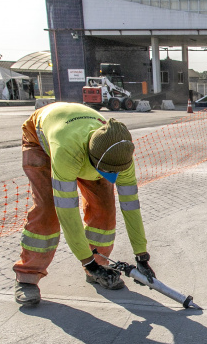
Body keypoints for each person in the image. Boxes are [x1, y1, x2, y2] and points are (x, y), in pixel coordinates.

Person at [13, 102, 155, 306]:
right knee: (48, 211)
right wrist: (86, 260)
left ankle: (98, 268)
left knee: (105, 210)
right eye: (108, 173)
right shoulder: (67, 153)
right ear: (92, 159)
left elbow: (131, 207)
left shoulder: (120, 156)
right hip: (41, 140)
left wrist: (141, 255)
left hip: (86, 142)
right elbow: (68, 214)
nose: (114, 178)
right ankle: (27, 277)